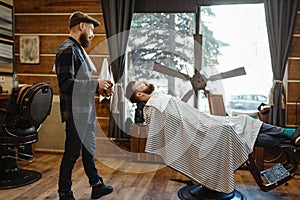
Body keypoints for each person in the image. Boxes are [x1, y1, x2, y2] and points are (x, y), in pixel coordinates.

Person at [125, 80, 300, 194]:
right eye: (137, 85)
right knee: (238, 131)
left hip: (205, 124)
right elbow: (179, 127)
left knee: (243, 122)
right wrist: (203, 129)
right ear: (139, 95)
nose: (142, 82)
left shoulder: (158, 100)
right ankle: (289, 137)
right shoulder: (155, 107)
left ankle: (289, 135)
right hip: (203, 131)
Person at [55, 12, 113, 200]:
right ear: (81, 26)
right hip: (76, 113)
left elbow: (82, 83)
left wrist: (99, 89)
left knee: (89, 150)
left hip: (85, 112)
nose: (92, 34)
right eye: (91, 29)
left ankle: (96, 185)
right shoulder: (67, 50)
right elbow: (66, 83)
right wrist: (95, 85)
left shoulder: (78, 49)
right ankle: (64, 193)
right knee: (72, 153)